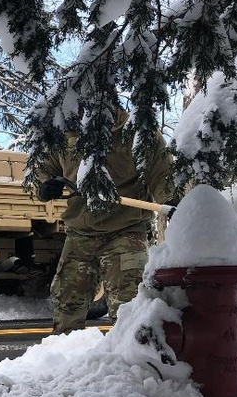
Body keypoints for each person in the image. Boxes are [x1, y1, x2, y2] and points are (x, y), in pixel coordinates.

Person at [35, 107, 174, 332]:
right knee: (67, 303)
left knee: (129, 304)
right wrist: (44, 185)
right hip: (79, 233)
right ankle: (62, 360)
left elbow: (162, 172)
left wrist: (171, 200)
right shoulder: (65, 132)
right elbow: (42, 167)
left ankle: (132, 361)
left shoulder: (136, 131)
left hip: (126, 230)